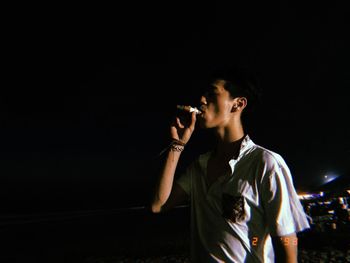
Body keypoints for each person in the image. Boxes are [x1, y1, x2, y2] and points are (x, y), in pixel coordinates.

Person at [151, 66, 310, 262]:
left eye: (212, 93)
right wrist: (177, 145)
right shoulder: (200, 166)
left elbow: (287, 240)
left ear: (237, 104)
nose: (201, 100)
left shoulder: (265, 163)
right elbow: (159, 205)